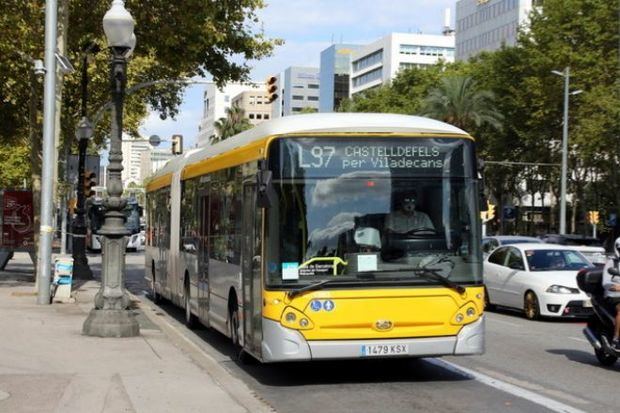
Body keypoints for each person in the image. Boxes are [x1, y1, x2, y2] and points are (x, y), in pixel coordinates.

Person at [602, 237, 620, 351]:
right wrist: (617, 287)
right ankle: (616, 339)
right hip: (614, 296)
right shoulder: (611, 262)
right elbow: (606, 282)